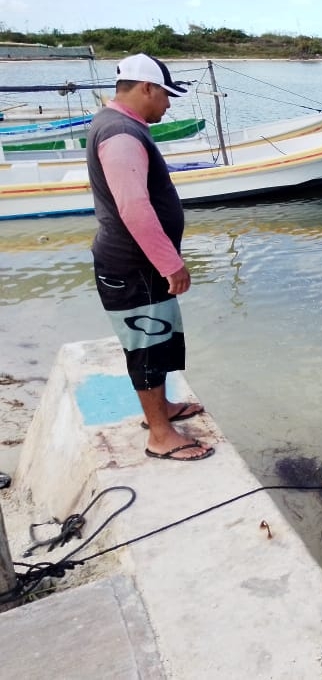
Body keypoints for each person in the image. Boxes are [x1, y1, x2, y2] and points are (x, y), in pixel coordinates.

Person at [86, 53, 214, 462]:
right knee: (146, 345)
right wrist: (169, 263)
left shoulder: (119, 125)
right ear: (147, 88)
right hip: (132, 266)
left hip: (139, 265)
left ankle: (164, 410)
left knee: (159, 340)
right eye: (166, 95)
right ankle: (160, 435)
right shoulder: (121, 133)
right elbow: (135, 207)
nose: (169, 104)